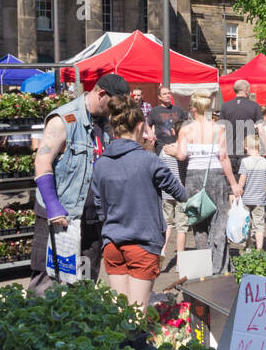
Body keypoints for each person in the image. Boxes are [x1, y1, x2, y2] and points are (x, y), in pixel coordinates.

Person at [28, 72, 130, 294]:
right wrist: (53, 205)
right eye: (114, 104)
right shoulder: (64, 119)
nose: (116, 111)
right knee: (47, 284)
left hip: (92, 218)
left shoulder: (107, 123)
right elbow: (42, 161)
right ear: (101, 94)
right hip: (60, 218)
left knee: (85, 284)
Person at [89, 96, 187, 308]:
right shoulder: (149, 160)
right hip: (143, 243)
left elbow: (99, 206)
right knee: (137, 312)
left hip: (112, 242)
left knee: (121, 311)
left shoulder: (101, 164)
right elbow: (179, 193)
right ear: (141, 126)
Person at [167, 91, 241, 275]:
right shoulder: (219, 129)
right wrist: (233, 184)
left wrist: (171, 151)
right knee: (219, 223)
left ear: (193, 109)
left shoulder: (186, 130)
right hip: (215, 176)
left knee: (198, 224)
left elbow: (182, 155)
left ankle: (204, 268)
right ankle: (219, 268)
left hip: (193, 178)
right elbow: (223, 157)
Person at [148, 85, 190, 263]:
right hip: (163, 151)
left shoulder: (178, 110)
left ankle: (170, 254)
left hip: (175, 152)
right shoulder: (155, 112)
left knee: (172, 221)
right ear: (159, 97)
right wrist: (152, 138)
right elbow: (148, 126)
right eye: (164, 94)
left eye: (169, 93)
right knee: (175, 223)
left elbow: (187, 124)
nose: (168, 96)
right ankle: (167, 252)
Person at [237, 134, 266, 253]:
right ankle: (259, 250)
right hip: (259, 201)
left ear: (246, 147)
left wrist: (237, 193)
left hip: (246, 200)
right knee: (259, 225)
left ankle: (248, 246)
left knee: (247, 224)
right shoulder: (265, 163)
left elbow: (242, 181)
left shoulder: (245, 161)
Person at [218, 79, 265, 159]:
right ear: (246, 90)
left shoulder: (225, 106)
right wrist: (264, 149)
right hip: (248, 152)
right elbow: (261, 130)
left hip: (230, 152)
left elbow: (221, 130)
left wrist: (221, 149)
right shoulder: (254, 106)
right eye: (249, 89)